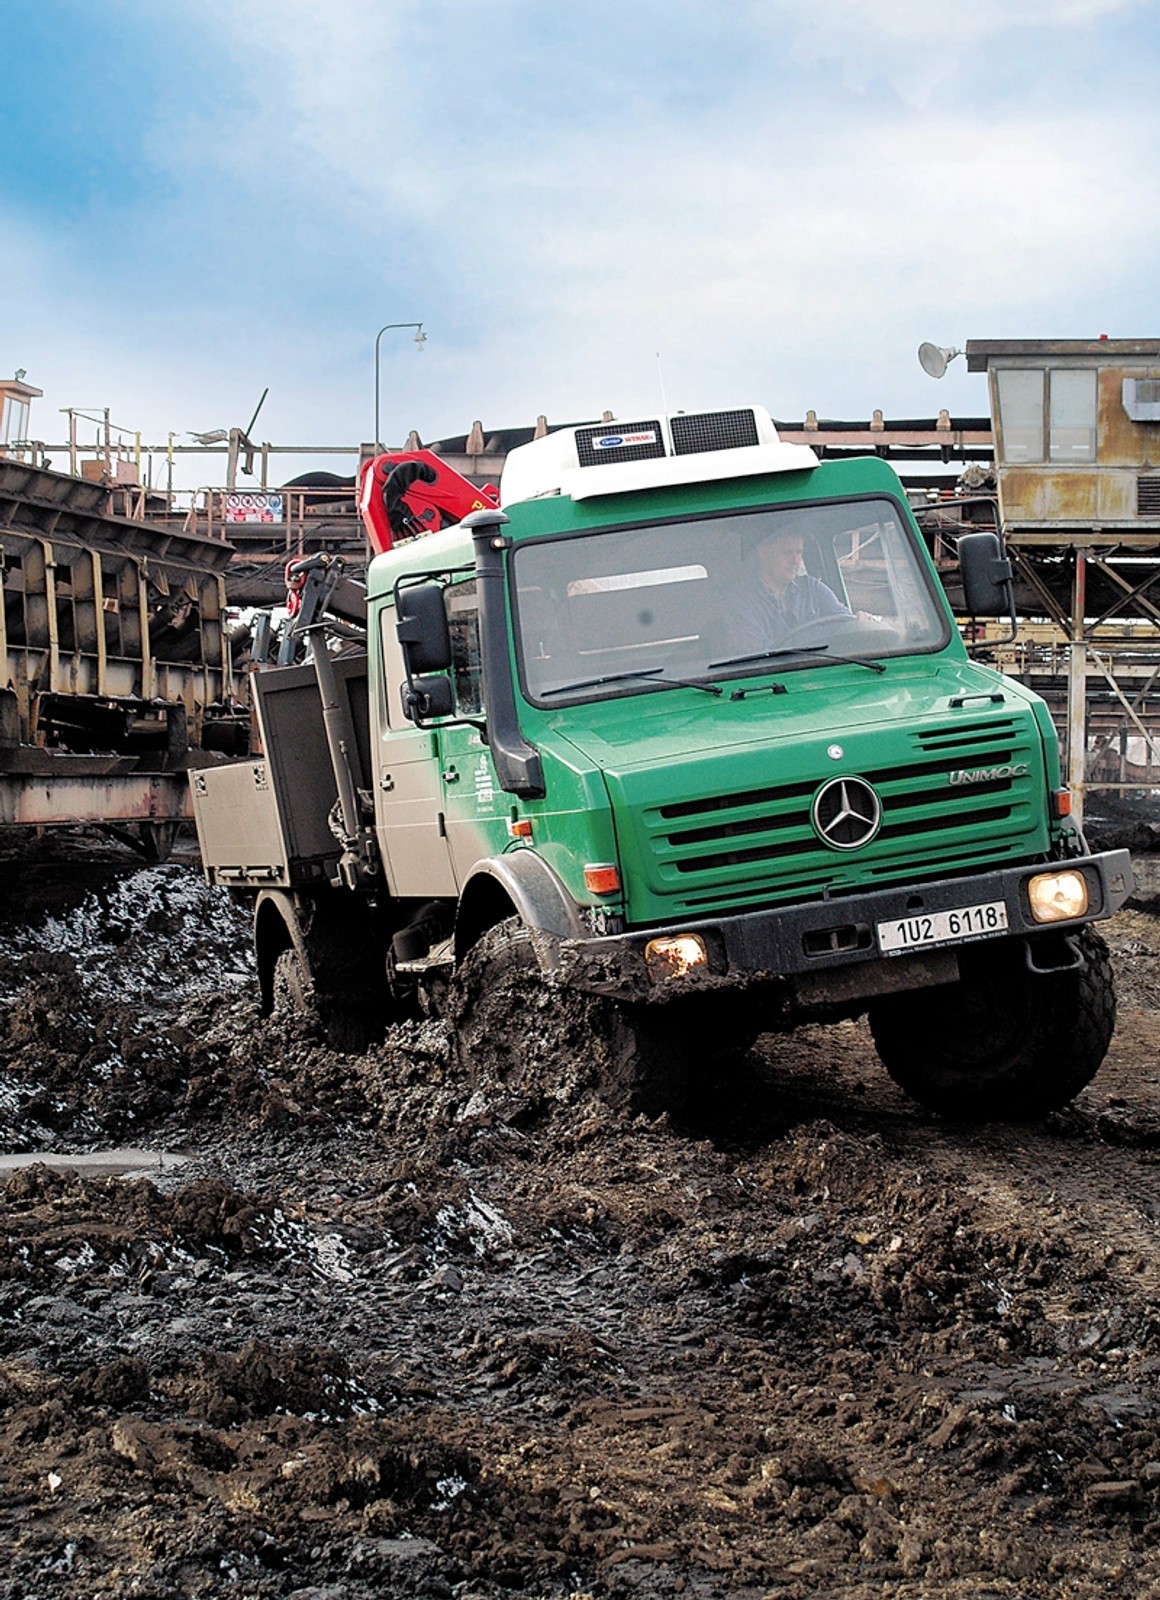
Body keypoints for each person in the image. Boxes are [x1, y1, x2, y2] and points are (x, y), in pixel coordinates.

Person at [730, 524, 853, 655]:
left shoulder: (813, 588)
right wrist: (817, 638)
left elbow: (845, 624)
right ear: (764, 553)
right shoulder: (740, 601)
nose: (795, 561)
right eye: (787, 553)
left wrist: (858, 622)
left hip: (822, 668)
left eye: (799, 552)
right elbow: (758, 655)